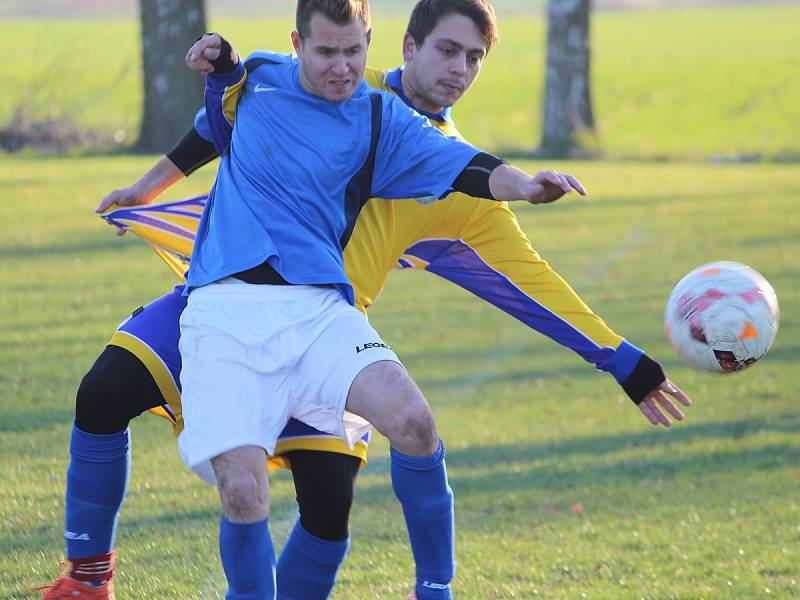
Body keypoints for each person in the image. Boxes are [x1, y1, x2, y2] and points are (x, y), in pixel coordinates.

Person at [36, 1, 689, 598]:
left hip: (325, 328)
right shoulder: (338, 78)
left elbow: (527, 283)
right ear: (406, 45)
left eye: (474, 57)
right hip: (225, 300)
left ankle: (430, 587)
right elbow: (226, 115)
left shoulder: (449, 170)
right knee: (104, 390)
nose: (458, 68)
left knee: (328, 509)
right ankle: (89, 578)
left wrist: (621, 359)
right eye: (446, 49)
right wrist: (148, 187)